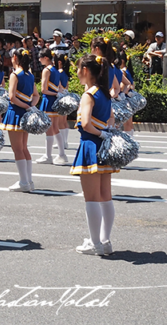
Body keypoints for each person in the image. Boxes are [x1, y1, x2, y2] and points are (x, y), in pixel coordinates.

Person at [70, 54, 118, 255]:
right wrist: (105, 134)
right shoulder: (105, 93)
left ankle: (95, 243)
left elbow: (86, 124)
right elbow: (111, 120)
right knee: (106, 196)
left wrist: (99, 133)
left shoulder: (88, 95)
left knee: (91, 198)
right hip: (104, 147)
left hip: (90, 145)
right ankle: (105, 240)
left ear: (86, 71)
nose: (77, 72)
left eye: (79, 68)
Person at [2, 48, 39, 192]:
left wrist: (24, 106)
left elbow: (11, 97)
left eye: (12, 57)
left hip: (16, 113)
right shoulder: (29, 75)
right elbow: (36, 95)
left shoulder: (15, 74)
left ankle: (23, 182)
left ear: (15, 58)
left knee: (17, 149)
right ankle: (28, 181)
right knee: (24, 148)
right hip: (26, 113)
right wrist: (30, 106)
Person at [37, 50, 69, 166]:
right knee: (55, 128)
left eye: (40, 58)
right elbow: (60, 87)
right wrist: (60, 93)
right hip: (54, 100)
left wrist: (56, 94)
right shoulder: (55, 69)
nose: (39, 60)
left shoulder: (47, 70)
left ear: (46, 58)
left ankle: (48, 155)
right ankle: (62, 154)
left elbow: (43, 89)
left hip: (49, 100)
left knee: (49, 129)